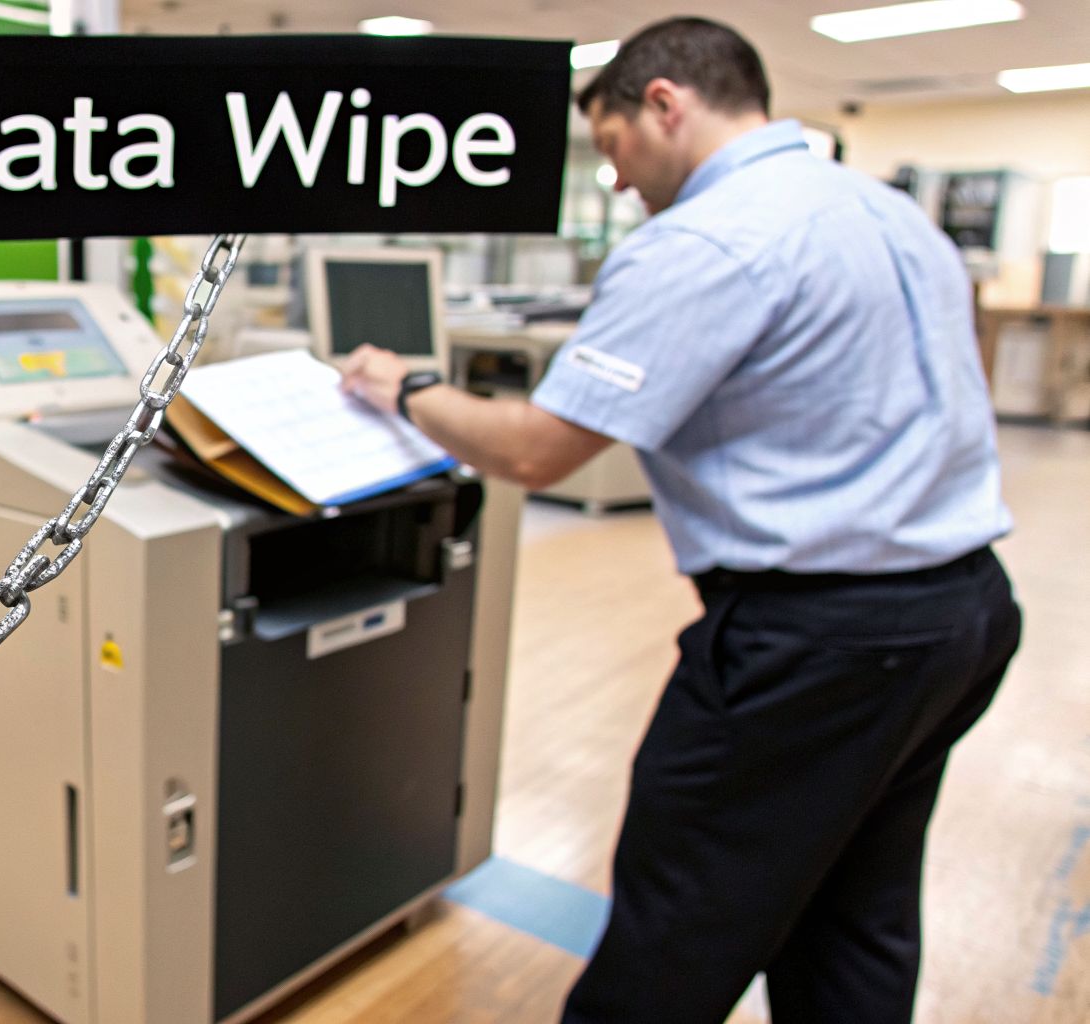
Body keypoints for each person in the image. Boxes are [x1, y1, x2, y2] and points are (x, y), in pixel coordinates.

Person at [339, 17, 1021, 1024]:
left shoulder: (705, 239)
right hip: (960, 613)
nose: (613, 182)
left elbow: (535, 448)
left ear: (663, 103)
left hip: (814, 644)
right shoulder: (883, 211)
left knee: (676, 927)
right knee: (854, 916)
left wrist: (405, 388)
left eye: (611, 148)